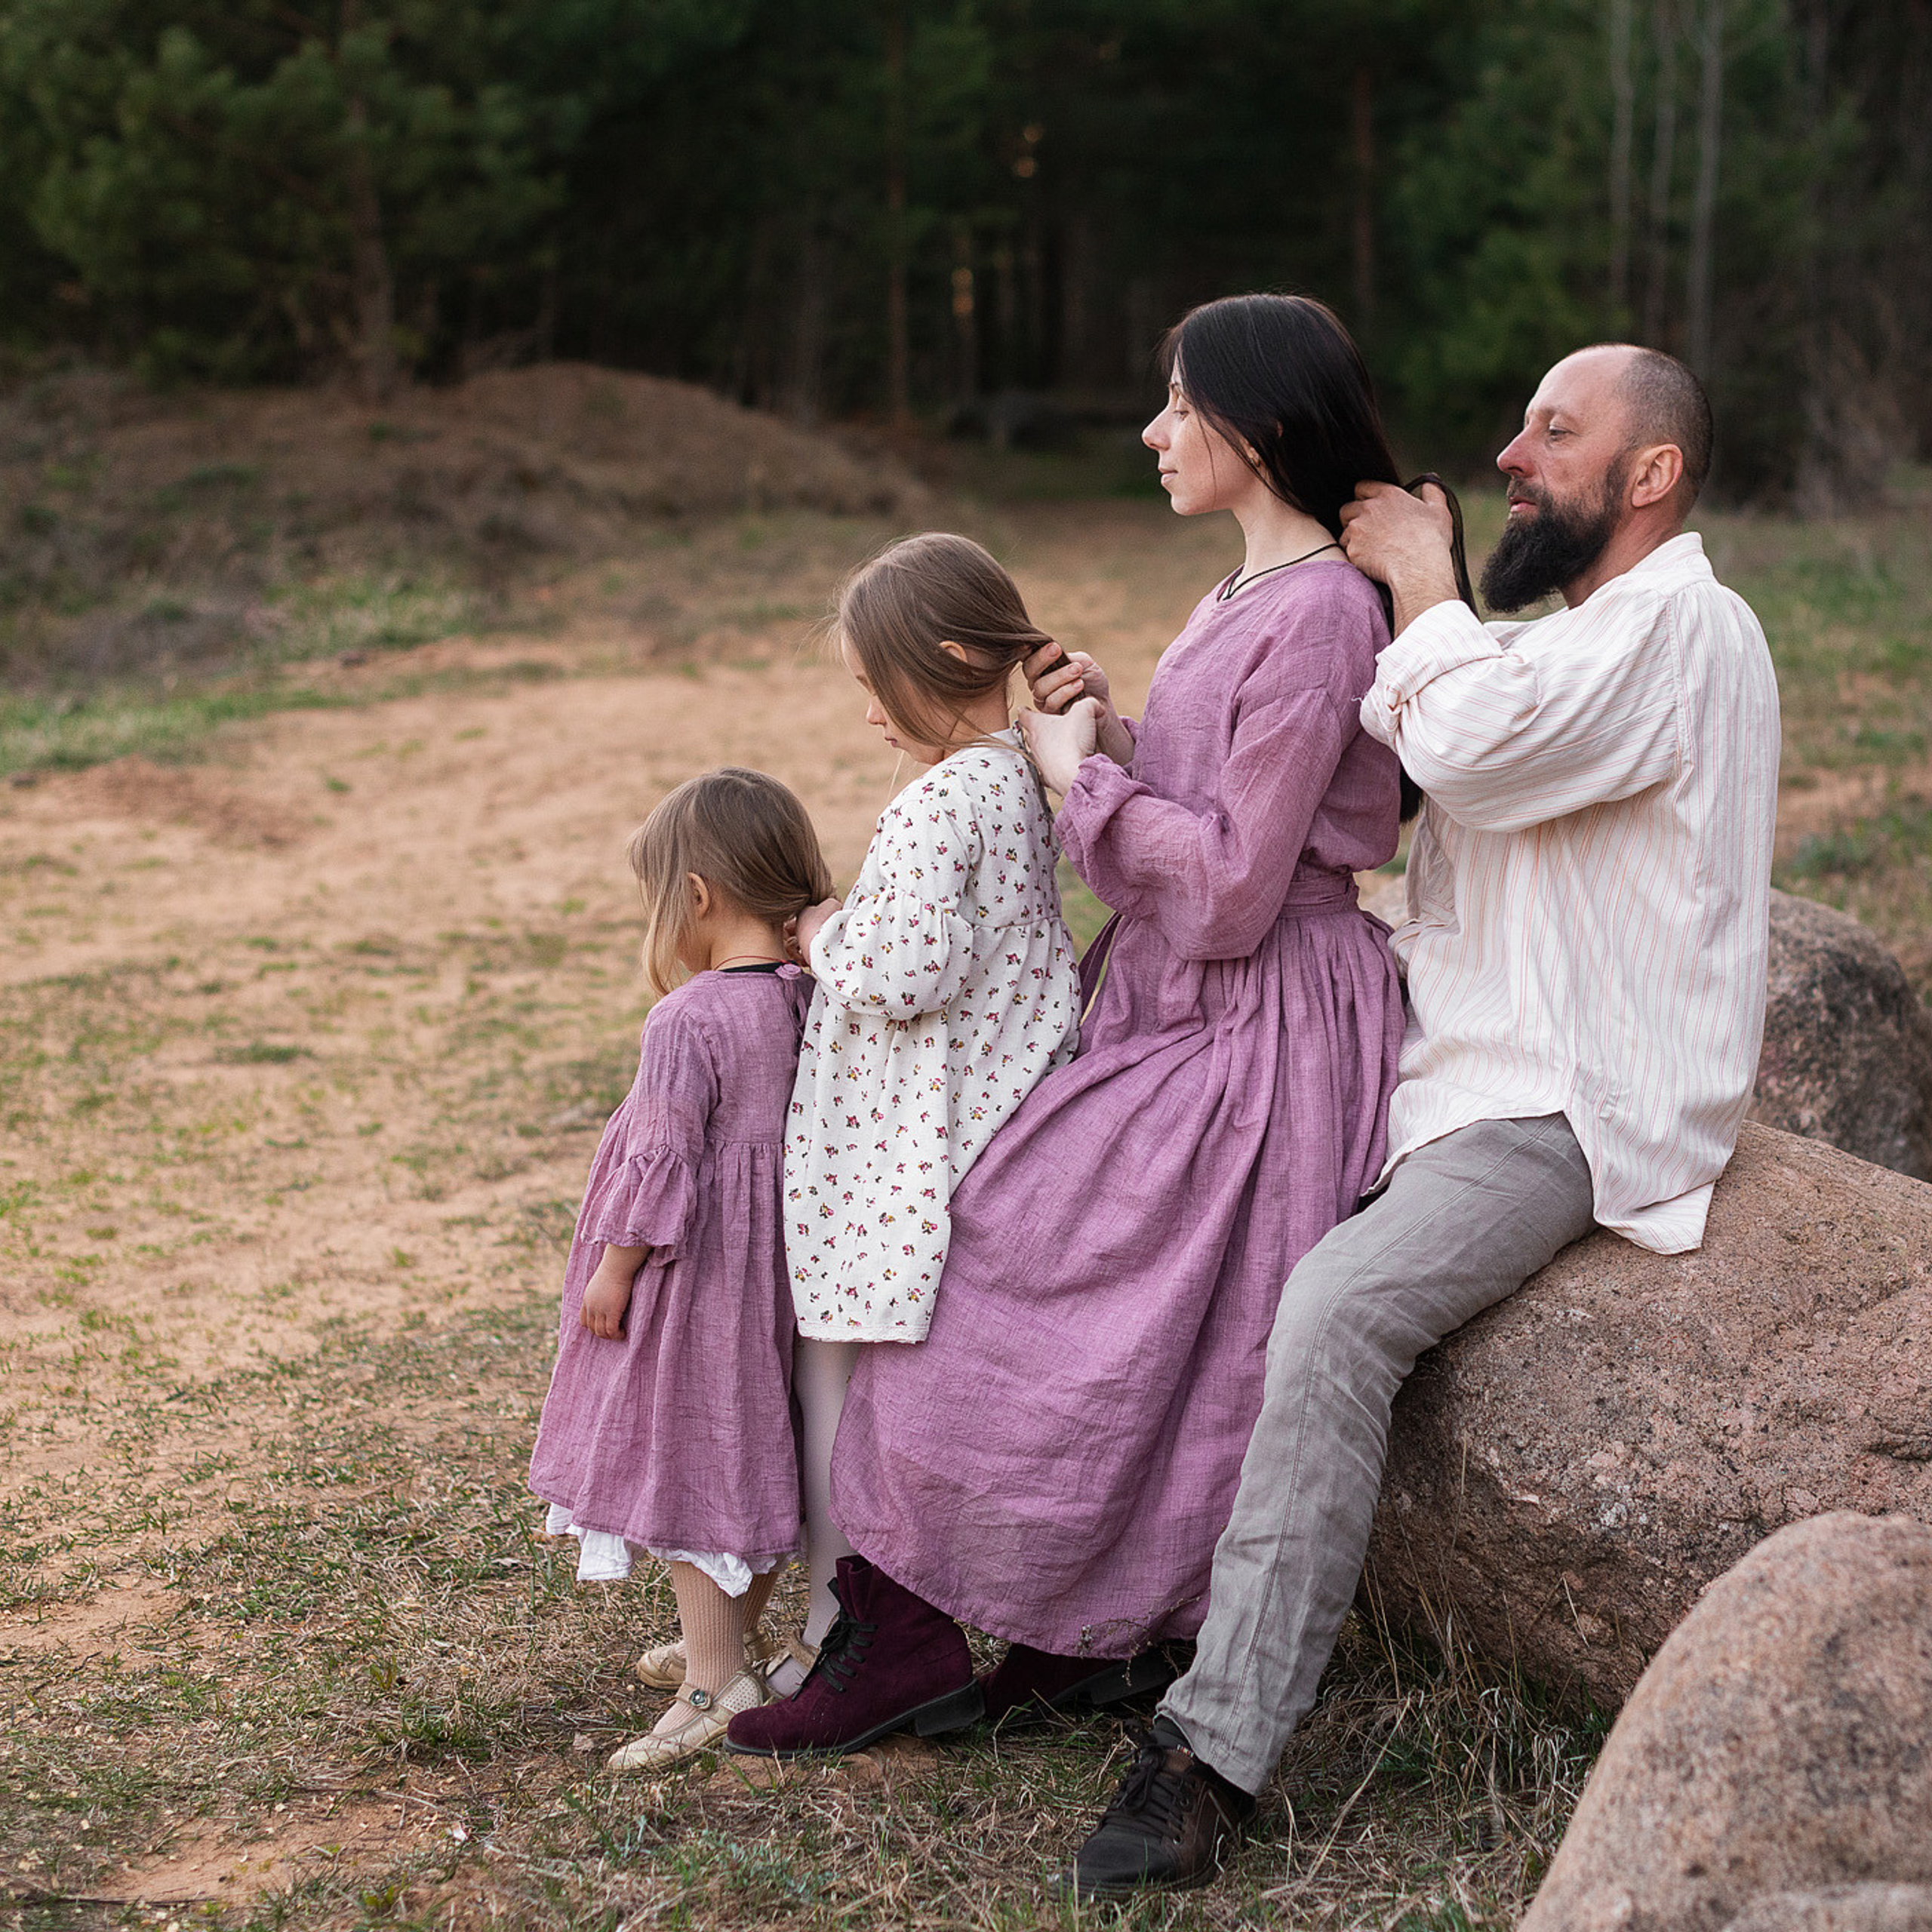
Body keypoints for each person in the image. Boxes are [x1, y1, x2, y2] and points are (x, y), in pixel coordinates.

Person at [1061, 341, 1782, 1894]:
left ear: (1648, 472)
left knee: (1333, 1307)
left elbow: (1460, 744)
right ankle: (1127, 1603)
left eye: (1552, 430)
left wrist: (1415, 574)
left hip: (1569, 1098)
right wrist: (1123, 750)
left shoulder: (1683, 626)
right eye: (1515, 423)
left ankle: (1210, 1747)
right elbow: (1364, 785)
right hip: (1458, 1068)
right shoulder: (1571, 638)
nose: (1509, 454)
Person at [730, 293, 1427, 1761]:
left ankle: (980, 1628)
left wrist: (1075, 784)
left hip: (1261, 1022)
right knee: (1001, 1250)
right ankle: (1011, 1628)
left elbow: (1239, 884)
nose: (1152, 430)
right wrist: (1116, 734)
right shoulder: (1242, 597)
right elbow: (1222, 785)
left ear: (1255, 428)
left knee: (1003, 1255)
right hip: (1179, 990)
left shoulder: (1318, 615)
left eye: (1178, 405)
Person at [738, 532, 1082, 1743]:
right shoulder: (1011, 780)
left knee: (830, 1367)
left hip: (906, 1147)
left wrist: (826, 929)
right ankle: (859, 1619)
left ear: (940, 660)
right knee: (841, 1368)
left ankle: (854, 1627)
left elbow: (908, 967)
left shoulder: (946, 797)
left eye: (870, 684)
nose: (869, 714)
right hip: (970, 1110)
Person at [527, 767, 831, 1772]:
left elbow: (661, 1157)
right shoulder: (805, 994)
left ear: (694, 896)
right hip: (778, 1276)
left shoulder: (689, 1020)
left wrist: (614, 1272)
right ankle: (725, 1641)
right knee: (747, 1451)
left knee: (686, 1465)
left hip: (690, 1277)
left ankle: (716, 1684)